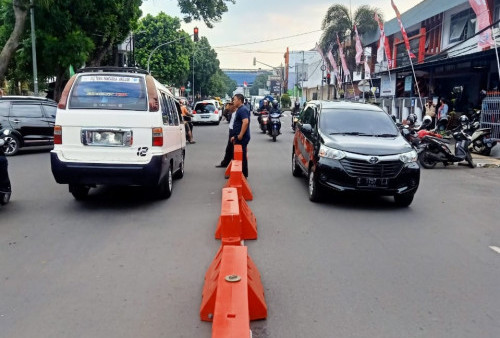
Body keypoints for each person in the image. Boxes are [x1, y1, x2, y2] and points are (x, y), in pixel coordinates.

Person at [230, 93, 250, 178]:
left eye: (234, 99)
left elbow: (245, 122)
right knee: (239, 155)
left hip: (242, 137)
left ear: (240, 100)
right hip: (238, 136)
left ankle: (243, 174)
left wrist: (240, 135)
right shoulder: (239, 109)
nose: (233, 101)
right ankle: (240, 173)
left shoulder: (243, 109)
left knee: (241, 156)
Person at [215, 102, 237, 168]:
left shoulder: (237, 113)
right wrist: (226, 110)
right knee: (228, 149)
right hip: (231, 131)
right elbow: (225, 115)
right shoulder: (232, 113)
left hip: (234, 132)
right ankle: (225, 163)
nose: (228, 107)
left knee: (233, 150)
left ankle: (233, 167)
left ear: (234, 106)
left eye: (230, 105)